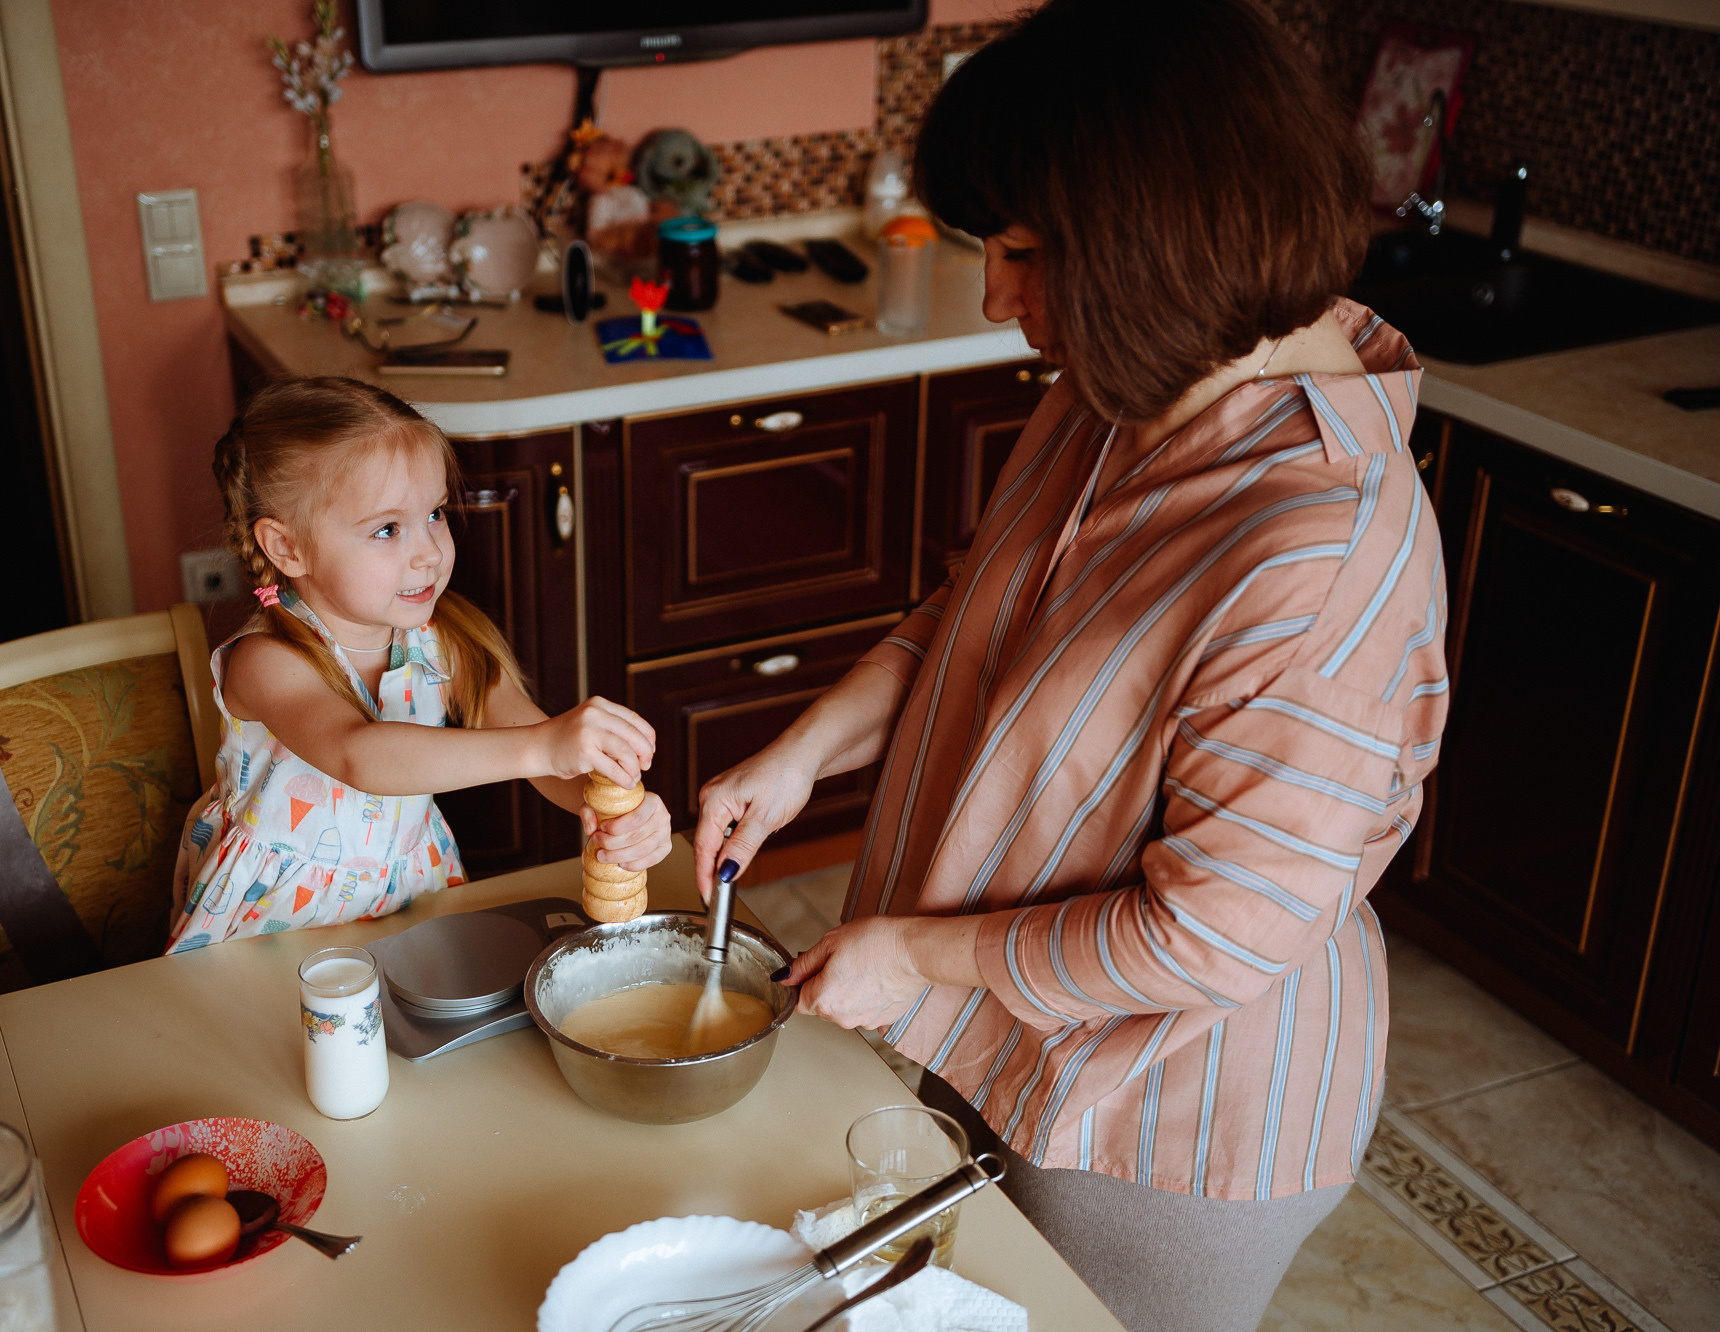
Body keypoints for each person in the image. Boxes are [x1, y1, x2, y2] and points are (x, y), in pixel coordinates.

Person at [692, 2, 1447, 1327]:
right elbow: (986, 611)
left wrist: (920, 959)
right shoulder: (1138, 381)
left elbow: (1207, 929)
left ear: (1160, 234)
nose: (998, 298)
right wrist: (807, 749)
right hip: (1002, 1031)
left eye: (1028, 252)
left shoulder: (1316, 554)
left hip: (1168, 1116)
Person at [165, 376, 670, 952]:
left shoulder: (441, 638)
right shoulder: (266, 660)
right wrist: (544, 744)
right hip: (271, 926)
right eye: (387, 529)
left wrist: (609, 811)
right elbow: (359, 753)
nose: (430, 551)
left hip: (409, 902)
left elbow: (530, 743)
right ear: (287, 548)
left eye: (434, 514)